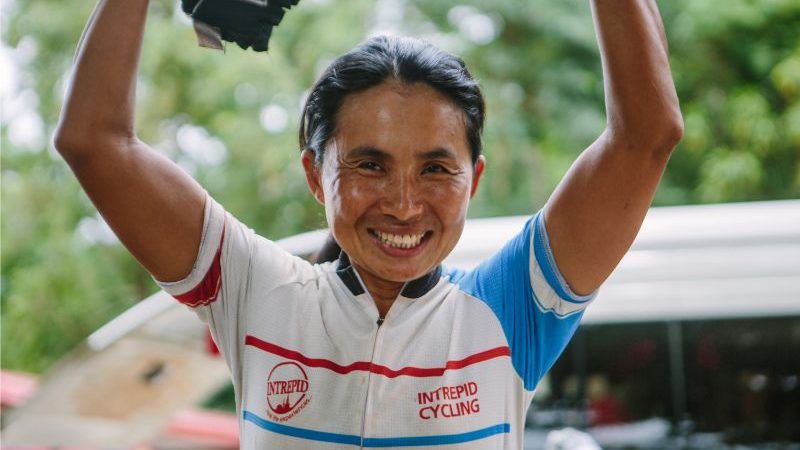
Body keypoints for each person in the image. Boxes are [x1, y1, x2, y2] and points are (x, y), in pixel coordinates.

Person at [54, 0, 682, 448]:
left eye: (435, 168)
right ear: (314, 174)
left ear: (474, 180)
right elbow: (94, 141)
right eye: (370, 165)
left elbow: (647, 134)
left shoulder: (511, 308)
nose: (404, 204)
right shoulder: (258, 294)